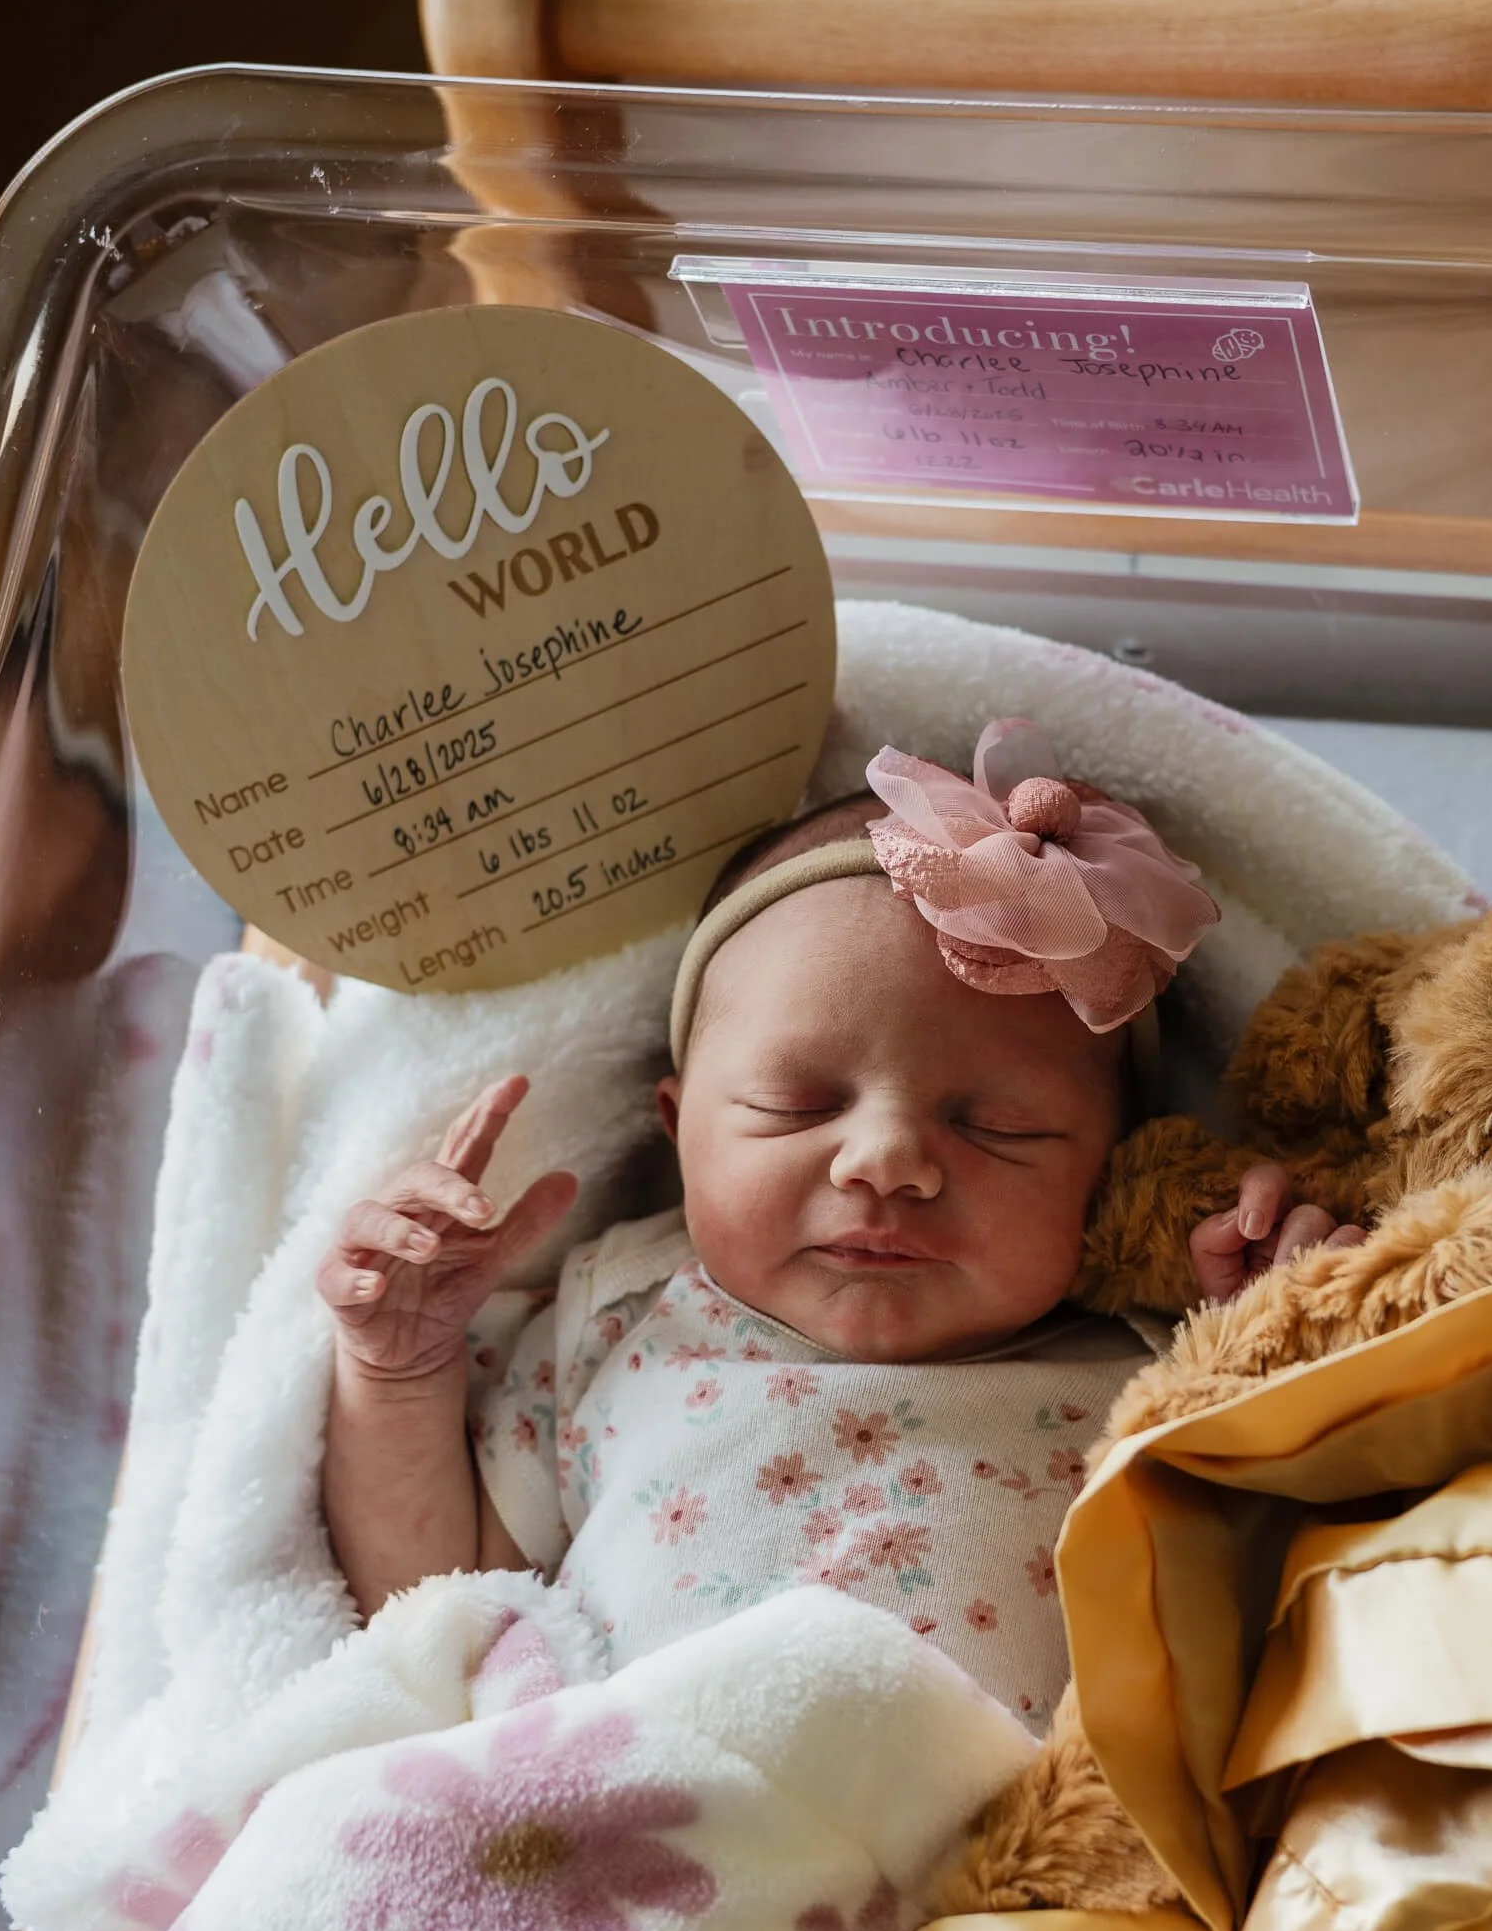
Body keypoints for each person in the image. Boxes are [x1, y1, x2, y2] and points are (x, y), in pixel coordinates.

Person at [316, 721, 1359, 1723]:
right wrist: (400, 1368)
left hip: (1004, 1890)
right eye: (797, 1106)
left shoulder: (1150, 1368)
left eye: (997, 1127)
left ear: (1112, 1163)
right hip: (639, 1840)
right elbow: (430, 1607)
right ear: (679, 1133)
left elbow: (1306, 1591)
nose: (887, 1164)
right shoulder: (616, 1319)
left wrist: (1293, 1338)